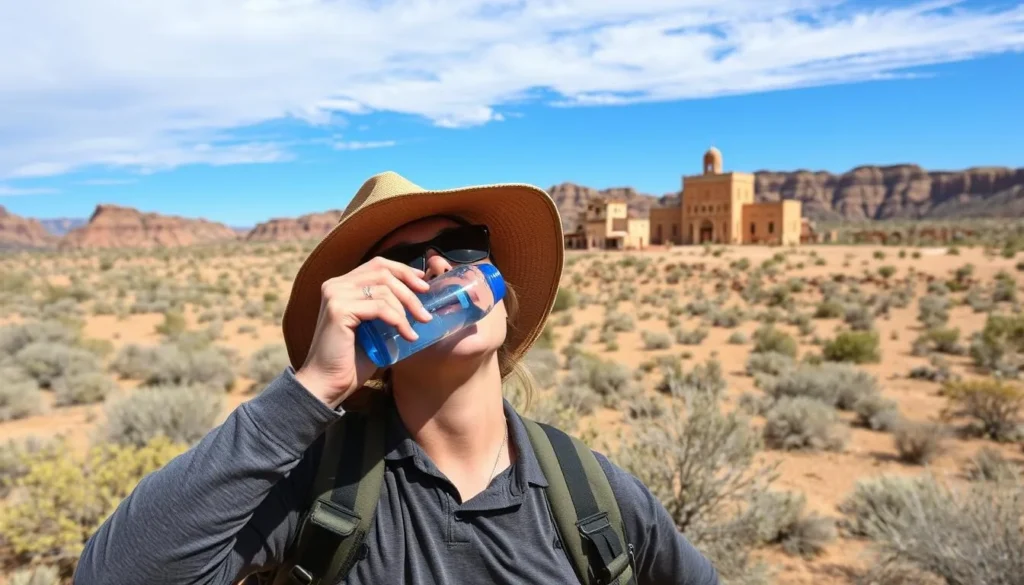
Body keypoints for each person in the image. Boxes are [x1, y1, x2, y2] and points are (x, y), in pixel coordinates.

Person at [73, 171, 719, 585]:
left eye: (466, 244)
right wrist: (311, 389)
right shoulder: (318, 487)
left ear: (500, 288)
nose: (440, 265)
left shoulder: (591, 494)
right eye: (402, 262)